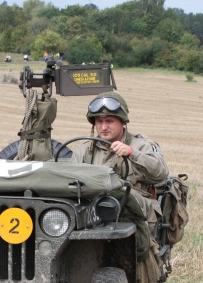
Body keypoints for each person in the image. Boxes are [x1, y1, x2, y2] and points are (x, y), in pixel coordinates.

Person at [70, 92, 168, 225]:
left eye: (109, 121)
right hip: (91, 214)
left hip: (133, 216)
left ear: (123, 122)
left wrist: (132, 153)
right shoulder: (84, 151)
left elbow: (161, 173)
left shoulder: (140, 145)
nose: (104, 127)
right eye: (99, 121)